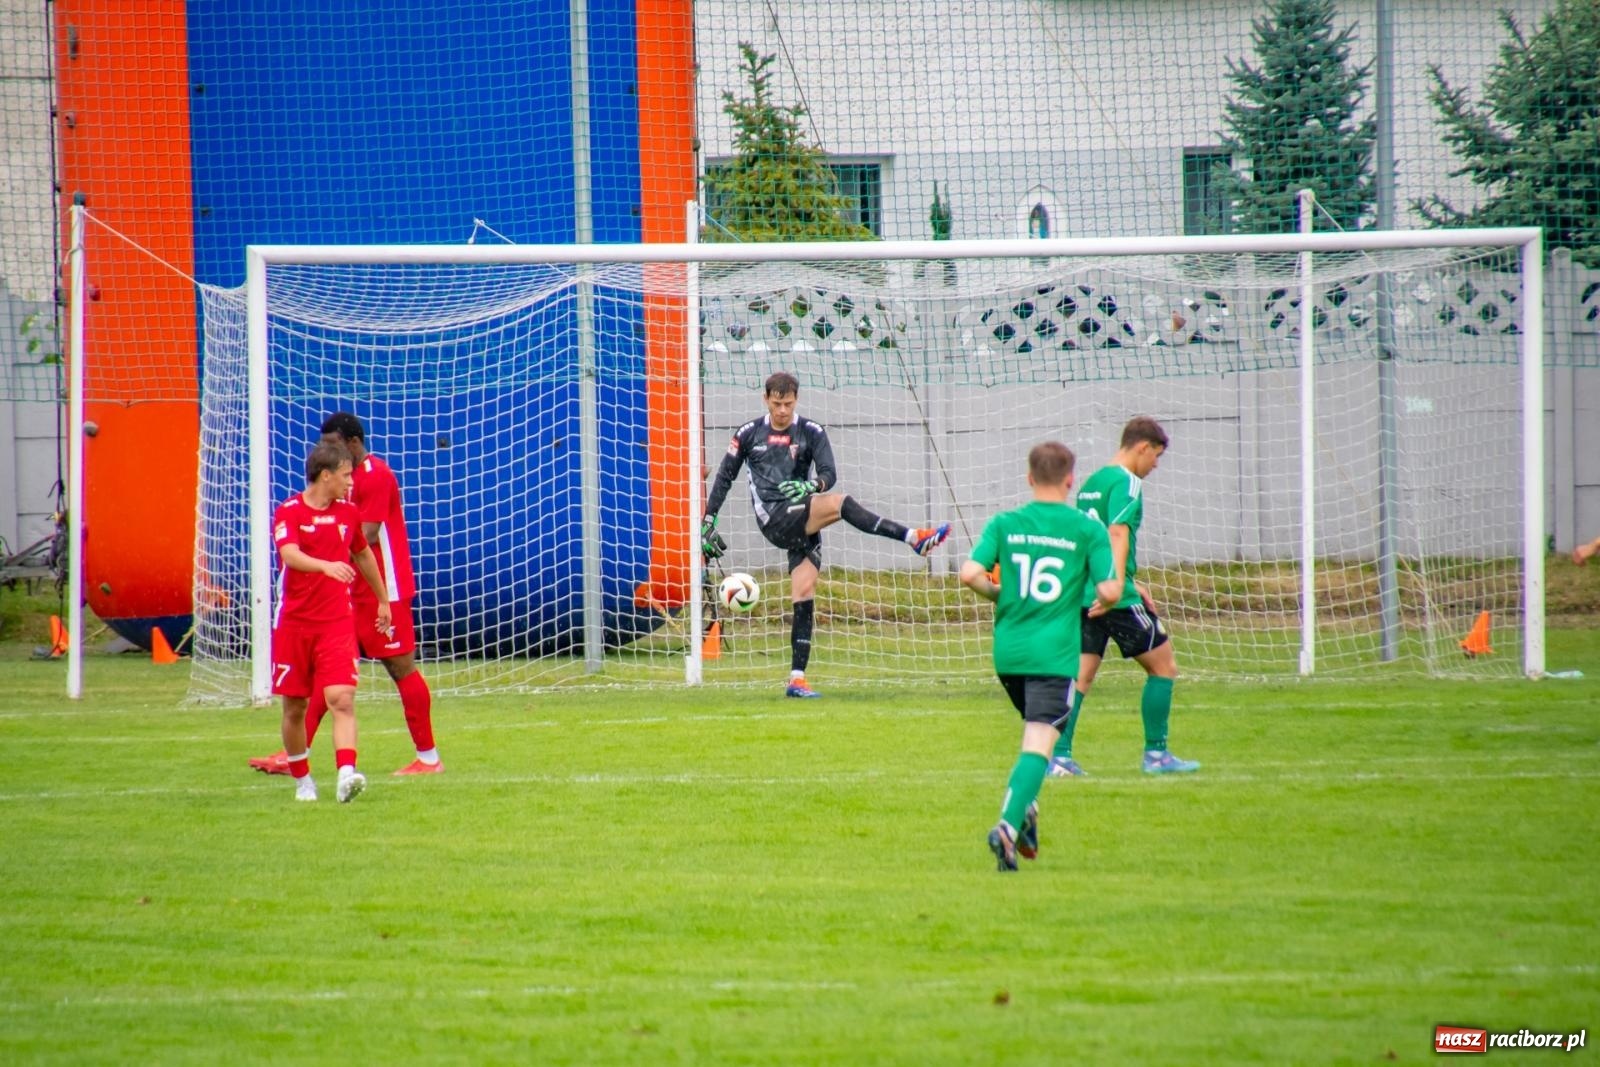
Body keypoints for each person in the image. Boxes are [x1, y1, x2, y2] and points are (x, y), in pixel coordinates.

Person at [700, 370, 951, 698]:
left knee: (804, 594)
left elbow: (829, 473)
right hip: (773, 517)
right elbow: (724, 478)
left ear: (796, 400)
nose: (782, 411)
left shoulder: (810, 431)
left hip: (803, 517)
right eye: (776, 404)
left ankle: (797, 678)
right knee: (841, 504)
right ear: (766, 399)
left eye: (788, 404)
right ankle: (913, 538)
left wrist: (812, 485)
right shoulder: (748, 434)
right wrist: (708, 519)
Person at [252, 412, 443, 776]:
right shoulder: (334, 483)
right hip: (344, 590)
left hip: (382, 586)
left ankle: (429, 758)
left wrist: (317, 553)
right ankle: (293, 754)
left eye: (334, 445)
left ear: (353, 444)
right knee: (330, 673)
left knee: (400, 667)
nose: (328, 453)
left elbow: (365, 536)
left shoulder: (377, 476)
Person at [960, 441, 1120, 871]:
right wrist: (1101, 596)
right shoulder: (1087, 529)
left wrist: (997, 593)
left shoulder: (1005, 523)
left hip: (1008, 654)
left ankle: (1028, 812)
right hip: (1054, 655)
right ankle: (1007, 829)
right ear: (1070, 480)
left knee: (1036, 736)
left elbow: (968, 573)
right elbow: (1109, 589)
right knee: (1038, 745)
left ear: (1030, 478)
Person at [1049, 415, 1199, 778]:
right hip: (1114, 596)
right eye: (1156, 456)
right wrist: (1118, 585)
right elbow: (1117, 533)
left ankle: (1060, 759)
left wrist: (1119, 578)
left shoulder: (1091, 483)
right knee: (1164, 667)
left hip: (1086, 591)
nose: (1156, 465)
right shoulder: (1127, 483)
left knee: (1080, 677)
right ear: (1143, 447)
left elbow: (1088, 537)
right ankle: (1157, 754)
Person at [270, 440, 391, 803]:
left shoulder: (348, 513)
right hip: (294, 624)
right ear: (326, 476)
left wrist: (383, 600)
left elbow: (363, 554)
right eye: (345, 475)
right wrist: (325, 565)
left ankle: (346, 775)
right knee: (295, 706)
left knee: (341, 698)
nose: (350, 482)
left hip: (337, 621)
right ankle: (303, 780)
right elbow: (290, 555)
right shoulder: (289, 511)